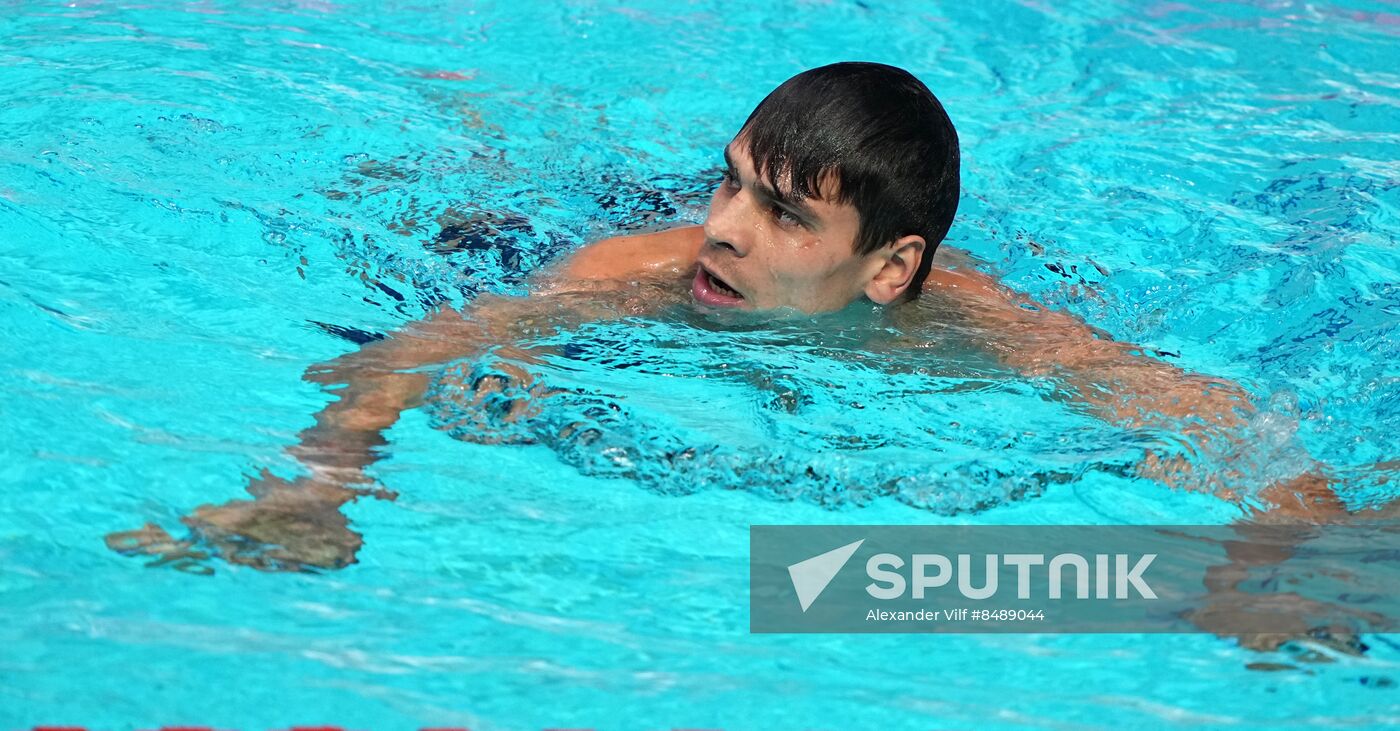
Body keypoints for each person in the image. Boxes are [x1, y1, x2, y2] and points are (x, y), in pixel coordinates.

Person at [107, 62, 1355, 575]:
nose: (722, 228)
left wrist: (1313, 565)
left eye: (781, 215)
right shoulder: (640, 263)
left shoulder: (973, 324)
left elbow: (1214, 416)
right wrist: (320, 486)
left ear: (887, 268)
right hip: (529, 243)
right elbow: (409, 353)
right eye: (729, 184)